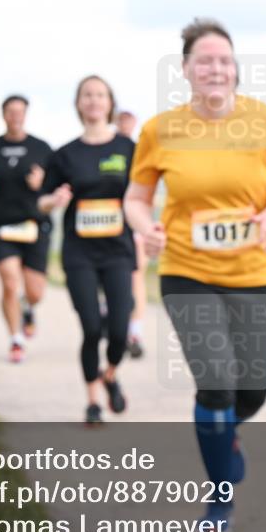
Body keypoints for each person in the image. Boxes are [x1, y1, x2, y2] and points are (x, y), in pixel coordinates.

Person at [125, 18, 266, 532]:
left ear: (236, 69)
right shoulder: (159, 130)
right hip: (187, 271)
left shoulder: (264, 121)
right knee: (216, 382)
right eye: (205, 60)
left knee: (252, 392)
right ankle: (219, 497)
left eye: (224, 60)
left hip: (256, 271)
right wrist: (144, 229)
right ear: (186, 69)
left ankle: (224, 435)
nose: (216, 69)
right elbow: (135, 199)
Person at [38, 76, 135, 425]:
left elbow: (141, 196)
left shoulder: (128, 149)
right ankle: (93, 402)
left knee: (120, 331)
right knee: (92, 328)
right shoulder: (64, 155)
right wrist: (55, 200)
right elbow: (43, 201)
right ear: (78, 104)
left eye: (100, 94)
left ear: (110, 102)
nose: (94, 100)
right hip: (80, 253)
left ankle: (110, 374)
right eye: (87, 95)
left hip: (119, 250)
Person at [0, 95, 53, 363]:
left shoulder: (42, 148)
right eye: (10, 112)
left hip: (35, 225)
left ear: (26, 115)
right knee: (9, 282)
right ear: (3, 115)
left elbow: (59, 187)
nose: (15, 116)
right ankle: (16, 340)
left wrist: (43, 183)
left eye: (20, 112)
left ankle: (28, 308)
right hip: (2, 227)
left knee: (35, 291)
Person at [116, 109, 148, 358]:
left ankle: (134, 332)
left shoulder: (140, 150)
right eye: (122, 118)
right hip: (109, 223)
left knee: (137, 274)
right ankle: (111, 314)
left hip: (134, 221)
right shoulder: (105, 146)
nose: (126, 123)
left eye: (130, 119)